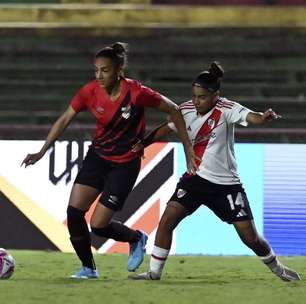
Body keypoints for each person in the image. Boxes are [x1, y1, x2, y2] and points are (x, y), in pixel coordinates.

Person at [21, 42, 197, 279]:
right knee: (74, 213)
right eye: (96, 70)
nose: (99, 75)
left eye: (105, 70)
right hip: (98, 158)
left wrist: (186, 147)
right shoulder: (89, 92)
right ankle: (88, 268)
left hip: (125, 164)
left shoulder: (137, 93)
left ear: (118, 71)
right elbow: (64, 119)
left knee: (99, 225)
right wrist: (42, 151)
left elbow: (174, 110)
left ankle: (136, 238)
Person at [129, 62, 301, 282]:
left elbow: (253, 117)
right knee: (167, 220)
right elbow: (164, 129)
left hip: (226, 185)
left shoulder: (227, 109)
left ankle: (279, 269)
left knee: (250, 238)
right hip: (195, 180)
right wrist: (143, 144)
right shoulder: (185, 110)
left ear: (215, 96)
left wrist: (263, 117)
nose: (196, 101)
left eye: (201, 97)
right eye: (194, 96)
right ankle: (154, 273)